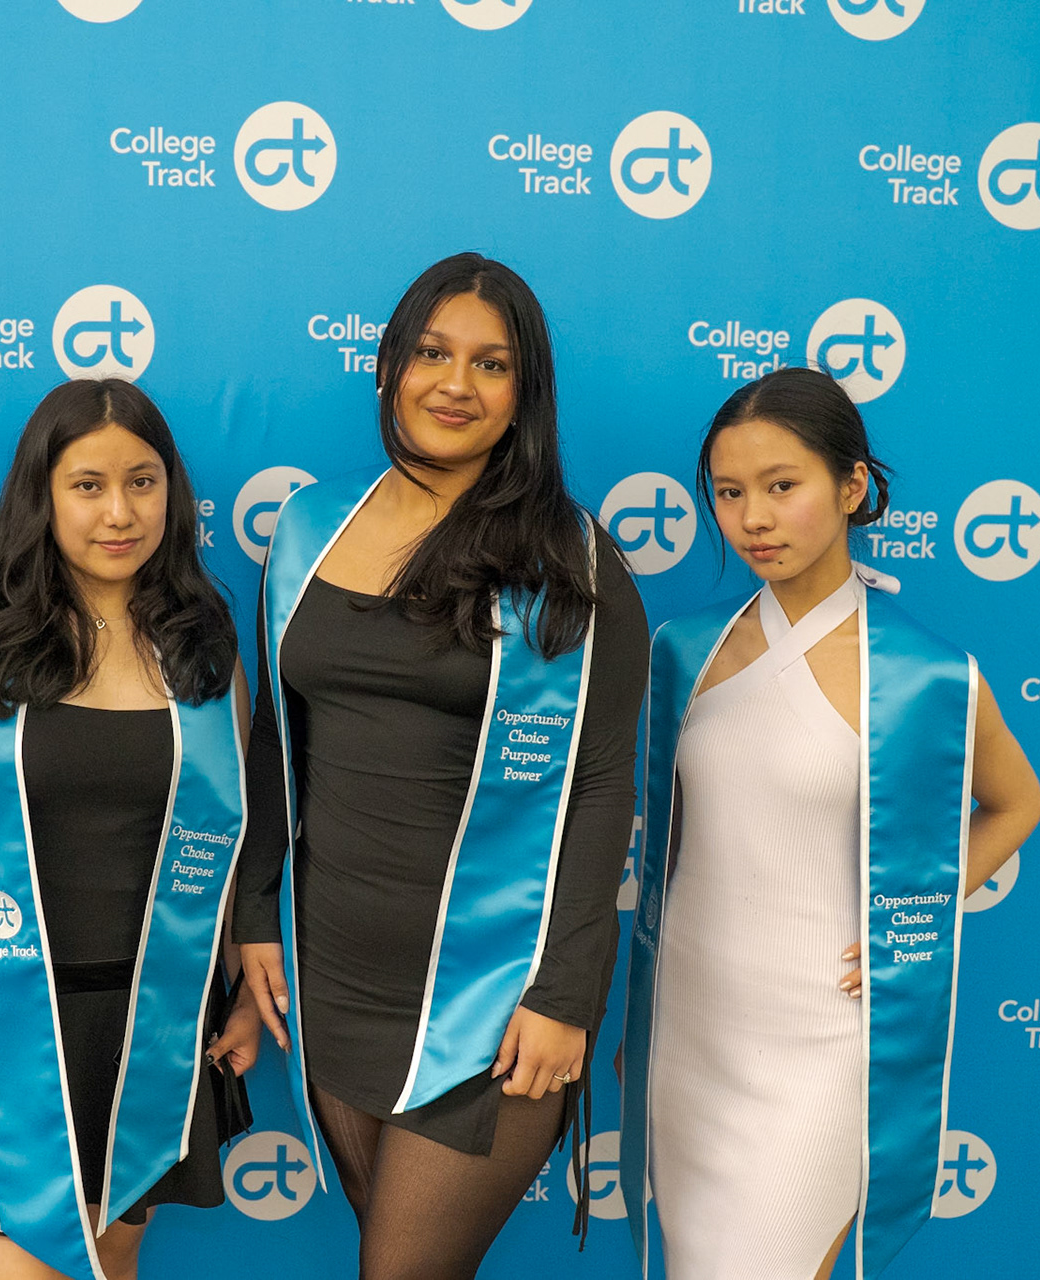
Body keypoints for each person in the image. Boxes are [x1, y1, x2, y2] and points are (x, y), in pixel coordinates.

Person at [233, 252, 650, 1280]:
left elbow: (602, 787)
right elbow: (277, 738)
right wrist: (255, 913)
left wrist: (565, 993)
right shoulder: (310, 528)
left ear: (524, 393)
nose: (455, 384)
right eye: (432, 353)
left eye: (491, 364)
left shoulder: (572, 562)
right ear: (389, 366)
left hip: (493, 994)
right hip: (336, 974)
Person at [617, 367, 1040, 1280]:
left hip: (825, 1036)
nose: (754, 519)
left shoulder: (928, 676)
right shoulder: (682, 649)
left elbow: (1018, 803)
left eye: (783, 485)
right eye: (730, 493)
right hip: (689, 1026)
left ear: (852, 486)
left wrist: (913, 910)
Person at [0, 378, 260, 1280]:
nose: (119, 512)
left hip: (156, 1027)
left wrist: (243, 990)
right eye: (88, 485)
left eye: (142, 482)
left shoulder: (205, 653)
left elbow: (232, 838)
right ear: (41, 498)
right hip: (5, 1023)